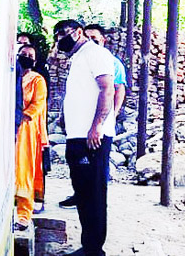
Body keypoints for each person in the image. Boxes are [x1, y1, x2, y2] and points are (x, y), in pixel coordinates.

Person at [54, 20, 115, 256]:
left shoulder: (95, 53)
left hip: (92, 138)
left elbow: (107, 89)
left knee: (93, 194)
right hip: (77, 135)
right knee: (83, 192)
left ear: (79, 32)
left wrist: (97, 126)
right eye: (57, 36)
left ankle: (94, 250)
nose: (59, 40)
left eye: (63, 34)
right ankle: (88, 246)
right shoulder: (78, 57)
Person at [14, 44, 48, 230]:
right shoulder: (11, 77)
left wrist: (22, 117)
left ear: (34, 61)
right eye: (23, 54)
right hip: (8, 128)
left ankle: (24, 214)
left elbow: (38, 104)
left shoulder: (37, 80)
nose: (26, 57)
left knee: (24, 170)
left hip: (26, 129)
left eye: (30, 55)